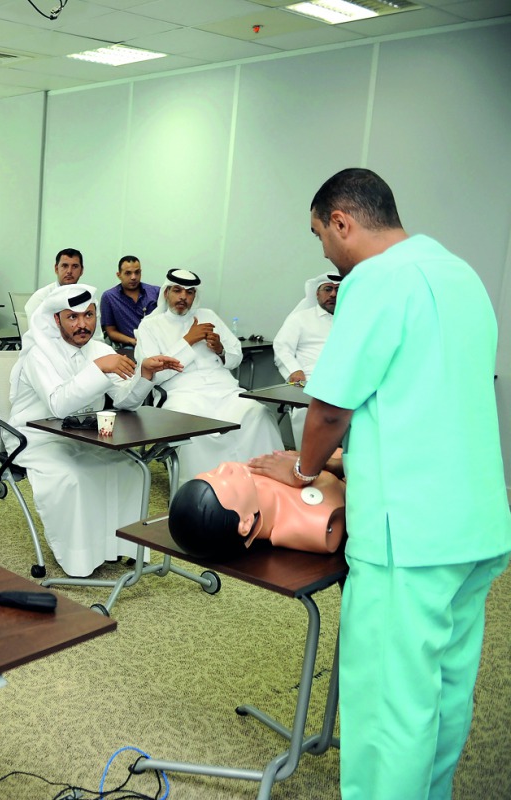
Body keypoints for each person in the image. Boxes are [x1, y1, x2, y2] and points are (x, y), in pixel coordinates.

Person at [249, 168, 511, 800]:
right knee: (443, 689)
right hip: (476, 523)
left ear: (341, 222)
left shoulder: (374, 280)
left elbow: (330, 408)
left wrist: (304, 470)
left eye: (321, 236)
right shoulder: (459, 273)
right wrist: (351, 461)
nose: (325, 253)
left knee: (391, 705)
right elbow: (424, 397)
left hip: (408, 537)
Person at [8, 283, 182, 576]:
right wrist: (99, 368)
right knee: (75, 476)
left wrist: (145, 375)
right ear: (56, 319)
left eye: (88, 315)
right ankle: (80, 558)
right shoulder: (40, 354)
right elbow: (58, 405)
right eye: (72, 317)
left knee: (129, 468)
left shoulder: (100, 350)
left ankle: (121, 547)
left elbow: (125, 401)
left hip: (85, 435)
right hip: (37, 439)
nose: (82, 324)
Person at [133, 268, 282, 486]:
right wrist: (189, 341)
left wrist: (221, 350)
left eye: (189, 292)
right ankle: (198, 490)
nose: (183, 297)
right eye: (177, 290)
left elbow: (236, 357)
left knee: (258, 413)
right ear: (166, 293)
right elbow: (154, 373)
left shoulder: (209, 316)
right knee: (190, 423)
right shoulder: (150, 326)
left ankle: (263, 485)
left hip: (225, 391)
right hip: (182, 394)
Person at [169, 457, 345, 560]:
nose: (224, 466)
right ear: (246, 523)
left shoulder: (250, 472)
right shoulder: (314, 522)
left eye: (213, 472)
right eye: (228, 483)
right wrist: (319, 463)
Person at [271, 272, 340, 444]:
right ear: (317, 293)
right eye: (328, 289)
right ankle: (308, 458)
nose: (333, 294)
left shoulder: (354, 319)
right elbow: (282, 347)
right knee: (307, 408)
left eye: (338, 290)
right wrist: (294, 370)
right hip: (310, 379)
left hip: (346, 380)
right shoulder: (300, 318)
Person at [99, 255, 160, 352]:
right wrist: (133, 341)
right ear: (119, 275)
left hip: (157, 344)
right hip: (128, 347)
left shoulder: (155, 292)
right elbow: (110, 331)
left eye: (137, 272)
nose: (133, 277)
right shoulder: (109, 297)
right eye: (128, 273)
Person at [24, 248, 84, 319]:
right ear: (56, 269)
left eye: (75, 266)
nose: (69, 271)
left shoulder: (87, 297)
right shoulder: (41, 297)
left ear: (81, 271)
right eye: (65, 266)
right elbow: (35, 325)